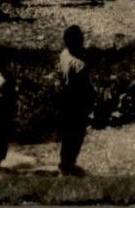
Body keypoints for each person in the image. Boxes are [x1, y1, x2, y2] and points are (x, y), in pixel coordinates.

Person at [56, 25, 94, 176]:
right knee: (77, 136)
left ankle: (65, 164)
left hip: (65, 99)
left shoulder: (64, 54)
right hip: (77, 102)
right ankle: (69, 166)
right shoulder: (79, 65)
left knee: (67, 135)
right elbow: (84, 86)